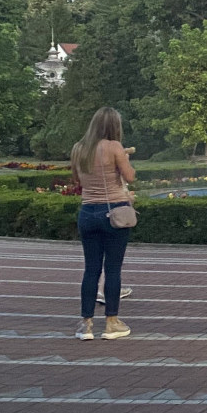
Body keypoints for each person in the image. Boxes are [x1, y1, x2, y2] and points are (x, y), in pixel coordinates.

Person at [71, 107, 137, 341]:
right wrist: (124, 161)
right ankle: (111, 322)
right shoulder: (115, 147)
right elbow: (129, 177)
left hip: (88, 211)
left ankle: (86, 324)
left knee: (91, 269)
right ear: (114, 126)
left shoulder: (79, 149)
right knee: (112, 269)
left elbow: (76, 180)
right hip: (114, 212)